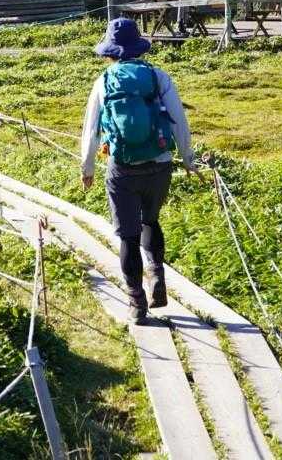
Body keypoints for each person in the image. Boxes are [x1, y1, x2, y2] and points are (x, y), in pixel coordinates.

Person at [79, 17, 196, 324]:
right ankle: (156, 276)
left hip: (122, 169)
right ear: (139, 48)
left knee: (128, 236)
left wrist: (87, 168)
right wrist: (187, 158)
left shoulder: (104, 81)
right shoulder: (158, 77)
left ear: (110, 52)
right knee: (151, 221)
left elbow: (91, 130)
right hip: (160, 164)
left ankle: (136, 303)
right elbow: (179, 120)